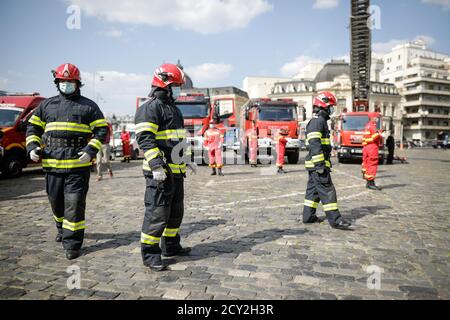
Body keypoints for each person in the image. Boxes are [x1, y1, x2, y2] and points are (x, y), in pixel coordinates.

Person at [26, 63, 108, 260]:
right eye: (63, 82)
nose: (66, 84)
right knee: (56, 202)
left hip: (77, 166)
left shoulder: (89, 106)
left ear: (77, 83)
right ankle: (61, 228)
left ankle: (72, 243)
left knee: (74, 203)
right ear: (58, 83)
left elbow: (101, 130)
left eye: (70, 81)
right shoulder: (46, 105)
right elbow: (33, 129)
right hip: (52, 165)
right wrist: (31, 148)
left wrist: (90, 149)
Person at [135, 63, 197, 271]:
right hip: (159, 173)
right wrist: (155, 165)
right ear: (164, 84)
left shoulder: (174, 110)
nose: (179, 90)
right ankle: (151, 254)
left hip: (176, 171)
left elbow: (178, 140)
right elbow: (145, 139)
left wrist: (186, 159)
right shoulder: (149, 108)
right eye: (177, 86)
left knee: (175, 212)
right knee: (157, 213)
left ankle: (171, 246)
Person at [302, 91, 351, 230]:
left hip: (315, 165)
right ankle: (336, 220)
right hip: (318, 165)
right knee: (328, 190)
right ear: (323, 106)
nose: (331, 110)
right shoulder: (318, 122)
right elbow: (314, 143)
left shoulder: (319, 121)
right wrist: (320, 165)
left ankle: (308, 216)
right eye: (330, 107)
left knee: (313, 192)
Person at [362, 117, 382, 190]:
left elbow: (365, 138)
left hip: (366, 147)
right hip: (372, 147)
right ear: (372, 118)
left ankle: (368, 182)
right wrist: (379, 133)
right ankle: (371, 183)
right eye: (376, 117)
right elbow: (374, 137)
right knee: (372, 165)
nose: (377, 119)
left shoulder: (367, 126)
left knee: (367, 164)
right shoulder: (373, 126)